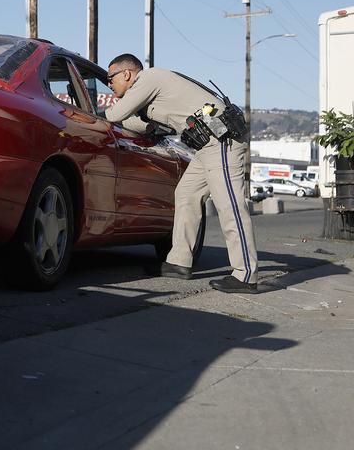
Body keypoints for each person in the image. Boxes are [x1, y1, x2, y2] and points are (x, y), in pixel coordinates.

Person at [104, 54, 259, 293]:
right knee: (186, 195)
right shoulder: (152, 93)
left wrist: (94, 113)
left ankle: (245, 274)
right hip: (207, 147)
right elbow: (149, 126)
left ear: (126, 74)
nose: (109, 85)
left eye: (110, 78)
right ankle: (178, 263)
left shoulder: (150, 78)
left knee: (230, 206)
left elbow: (115, 115)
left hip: (222, 143)